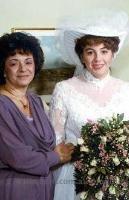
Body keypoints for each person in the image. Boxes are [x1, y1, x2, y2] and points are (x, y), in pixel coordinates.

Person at [49, 12, 129, 200]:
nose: (97, 59)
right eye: (90, 52)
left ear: (112, 54)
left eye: (104, 51)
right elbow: (56, 141)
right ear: (82, 56)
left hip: (120, 178)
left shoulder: (127, 89)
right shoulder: (64, 89)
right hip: (76, 178)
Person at [0, 32, 74, 200]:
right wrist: (56, 156)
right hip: (14, 189)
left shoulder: (36, 101)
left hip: (43, 186)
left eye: (28, 62)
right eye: (14, 63)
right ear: (3, 68)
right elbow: (16, 156)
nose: (23, 69)